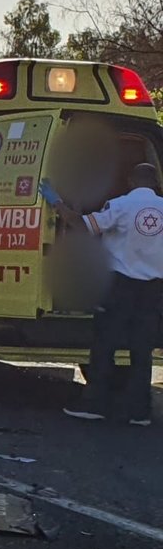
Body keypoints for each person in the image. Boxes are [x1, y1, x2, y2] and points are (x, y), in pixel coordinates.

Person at [53, 162, 163, 425]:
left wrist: (56, 203)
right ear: (155, 183)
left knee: (105, 345)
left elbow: (84, 226)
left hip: (120, 286)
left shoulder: (121, 205)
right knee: (142, 350)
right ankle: (140, 412)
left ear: (130, 181)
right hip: (153, 290)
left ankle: (94, 404)